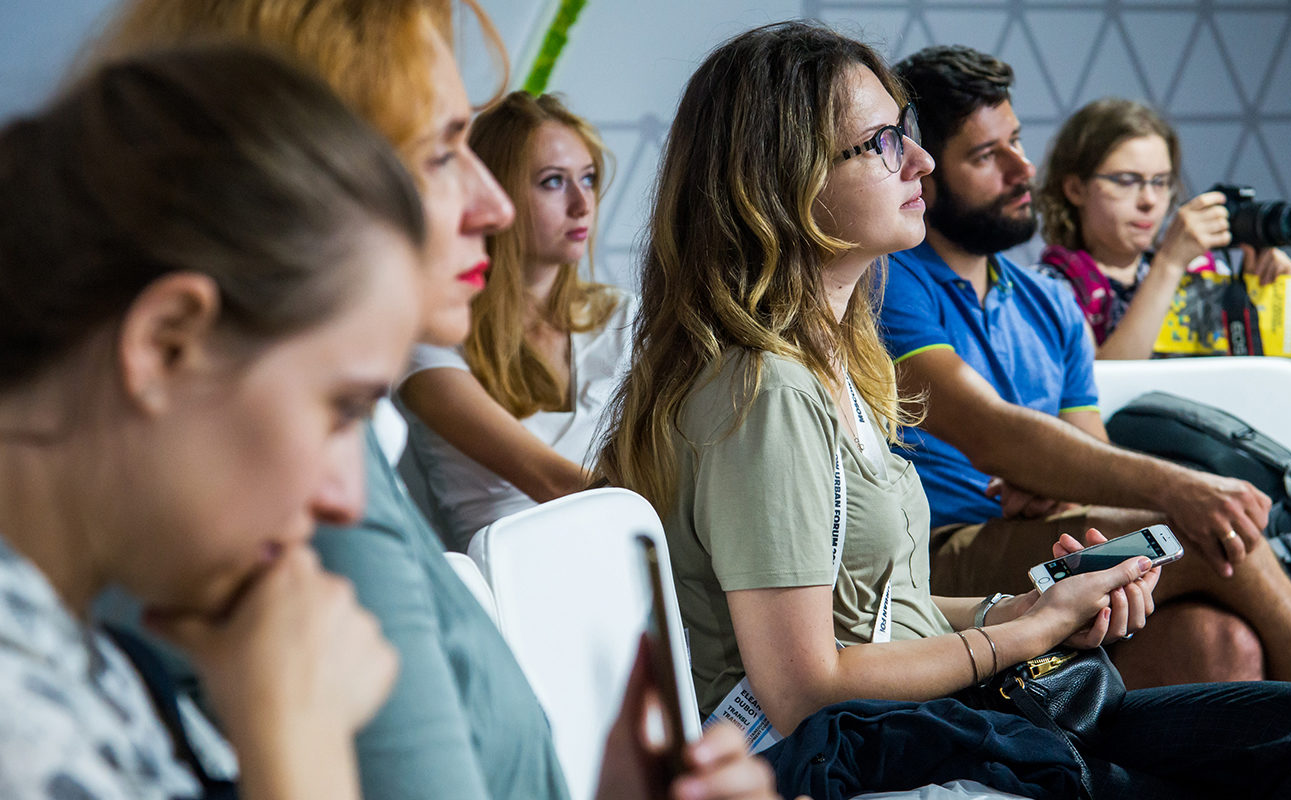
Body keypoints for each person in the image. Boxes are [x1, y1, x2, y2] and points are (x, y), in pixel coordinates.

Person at [599, 20, 1291, 800]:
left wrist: (1026, 604)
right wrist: (1026, 632)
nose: (917, 161)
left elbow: (882, 614)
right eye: (881, 142)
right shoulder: (765, 390)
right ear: (785, 180)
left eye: (903, 133)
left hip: (912, 719)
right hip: (856, 751)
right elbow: (804, 685)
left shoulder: (832, 361)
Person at [95, 3, 781, 800]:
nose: (492, 209)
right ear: (278, 187)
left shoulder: (333, 468)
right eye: (441, 151)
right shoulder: (307, 502)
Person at [881, 43, 1291, 799]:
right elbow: (991, 429)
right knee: (1214, 537)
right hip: (949, 557)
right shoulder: (892, 282)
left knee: (1219, 639)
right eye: (986, 155)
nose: (1020, 169)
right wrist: (1184, 491)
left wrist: (1066, 490)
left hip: (1047, 542)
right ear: (927, 169)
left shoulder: (1048, 303)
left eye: (1017, 141)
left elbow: (1084, 454)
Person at [0, 44, 417, 799]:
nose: (344, 499)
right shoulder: (21, 732)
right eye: (340, 411)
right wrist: (300, 745)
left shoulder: (85, 656)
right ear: (166, 345)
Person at [398, 90, 636, 549]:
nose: (582, 204)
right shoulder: (434, 335)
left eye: (587, 179)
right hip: (507, 601)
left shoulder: (628, 316)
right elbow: (552, 481)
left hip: (629, 579)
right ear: (493, 193)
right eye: (552, 182)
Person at [1033, 97, 1291, 359]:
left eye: (1160, 182)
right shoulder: (1046, 288)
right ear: (1075, 189)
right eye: (1126, 181)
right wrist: (1169, 263)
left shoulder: (1203, 274)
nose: (1149, 200)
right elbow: (1107, 388)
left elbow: (1253, 381)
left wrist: (1255, 292)